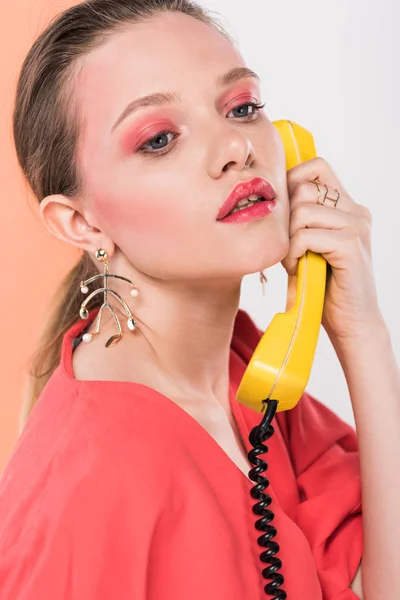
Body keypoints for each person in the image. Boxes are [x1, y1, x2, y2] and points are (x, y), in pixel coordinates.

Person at [1, 0, 400, 598]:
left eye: (242, 108)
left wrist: (362, 332)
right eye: (160, 139)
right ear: (80, 223)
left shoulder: (248, 381)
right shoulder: (91, 490)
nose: (237, 148)